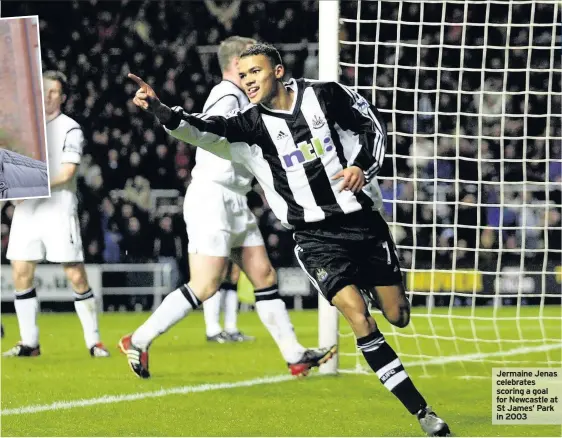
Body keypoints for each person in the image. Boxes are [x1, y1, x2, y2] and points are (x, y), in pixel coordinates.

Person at [127, 43, 451, 437]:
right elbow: (202, 128)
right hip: (314, 238)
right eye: (242, 75)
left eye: (255, 72)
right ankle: (423, 412)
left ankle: (354, 300)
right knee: (357, 316)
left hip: (362, 225)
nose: (247, 81)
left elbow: (372, 125)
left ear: (278, 72)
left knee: (397, 315)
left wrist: (361, 167)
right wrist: (160, 108)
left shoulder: (325, 94)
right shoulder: (250, 125)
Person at [119, 37, 336, 379]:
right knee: (205, 285)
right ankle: (139, 339)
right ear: (237, 64)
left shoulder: (245, 99)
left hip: (234, 197)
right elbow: (201, 128)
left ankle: (295, 355)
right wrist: (163, 110)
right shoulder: (226, 95)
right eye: (249, 61)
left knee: (264, 276)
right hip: (212, 196)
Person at [3, 71, 110, 358]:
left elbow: (67, 172)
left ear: (62, 97)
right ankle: (30, 342)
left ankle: (94, 341)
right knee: (21, 273)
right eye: (44, 91)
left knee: (75, 275)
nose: (48, 96)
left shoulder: (70, 128)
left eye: (54, 92)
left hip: (58, 209)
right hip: (27, 210)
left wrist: (29, 182)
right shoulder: (23, 130)